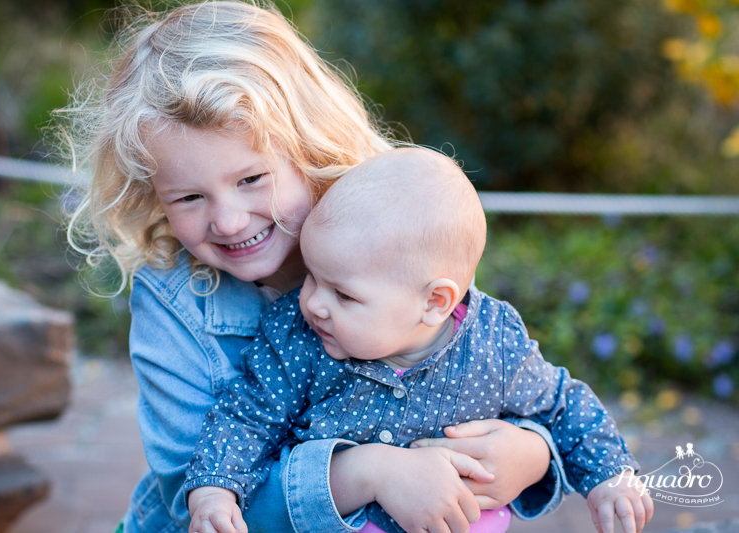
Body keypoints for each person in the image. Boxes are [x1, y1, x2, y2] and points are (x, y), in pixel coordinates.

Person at [59, 2, 570, 532]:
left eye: (252, 178)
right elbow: (195, 499)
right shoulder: (173, 301)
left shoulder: (393, 227)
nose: (229, 221)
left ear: (308, 146)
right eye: (189, 197)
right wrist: (366, 473)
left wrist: (531, 452)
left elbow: (499, 378)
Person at [184, 148, 655, 533]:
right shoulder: (297, 336)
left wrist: (611, 475)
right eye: (312, 277)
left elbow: (563, 405)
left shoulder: (493, 346)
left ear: (434, 303)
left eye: (343, 294)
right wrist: (215, 486)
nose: (313, 304)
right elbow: (247, 414)